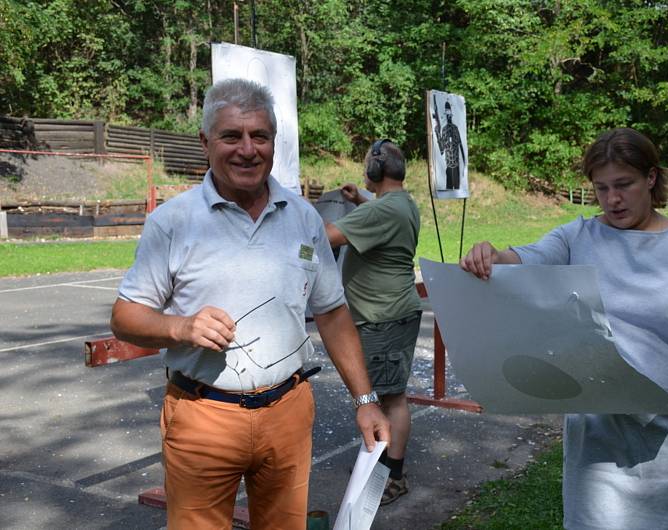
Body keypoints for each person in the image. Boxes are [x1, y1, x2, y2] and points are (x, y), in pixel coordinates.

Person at [110, 78, 390, 530]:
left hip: (288, 411)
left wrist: (366, 399)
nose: (247, 149)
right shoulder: (173, 222)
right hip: (203, 415)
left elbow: (332, 312)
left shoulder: (303, 218)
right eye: (231, 136)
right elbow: (125, 317)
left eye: (259, 136)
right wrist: (181, 327)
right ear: (205, 142)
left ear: (273, 143)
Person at [460, 127, 668, 529]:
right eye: (602, 188)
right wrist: (494, 256)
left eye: (624, 185)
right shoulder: (578, 236)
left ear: (652, 178)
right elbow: (530, 258)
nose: (613, 199)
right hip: (597, 429)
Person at [325, 139, 422, 505]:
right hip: (391, 313)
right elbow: (381, 217)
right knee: (386, 395)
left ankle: (391, 477)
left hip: (384, 317)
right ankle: (381, 465)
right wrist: (360, 201)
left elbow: (326, 236)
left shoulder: (381, 212)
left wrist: (297, 217)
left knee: (389, 400)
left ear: (375, 172)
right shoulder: (401, 203)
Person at [435, 100, 466, 190]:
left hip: (456, 164)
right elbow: (442, 149)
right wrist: (437, 134)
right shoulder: (444, 130)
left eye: (449, 113)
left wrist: (465, 164)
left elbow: (460, 146)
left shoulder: (455, 128)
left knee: (456, 188)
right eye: (447, 113)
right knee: (449, 188)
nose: (448, 116)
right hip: (448, 164)